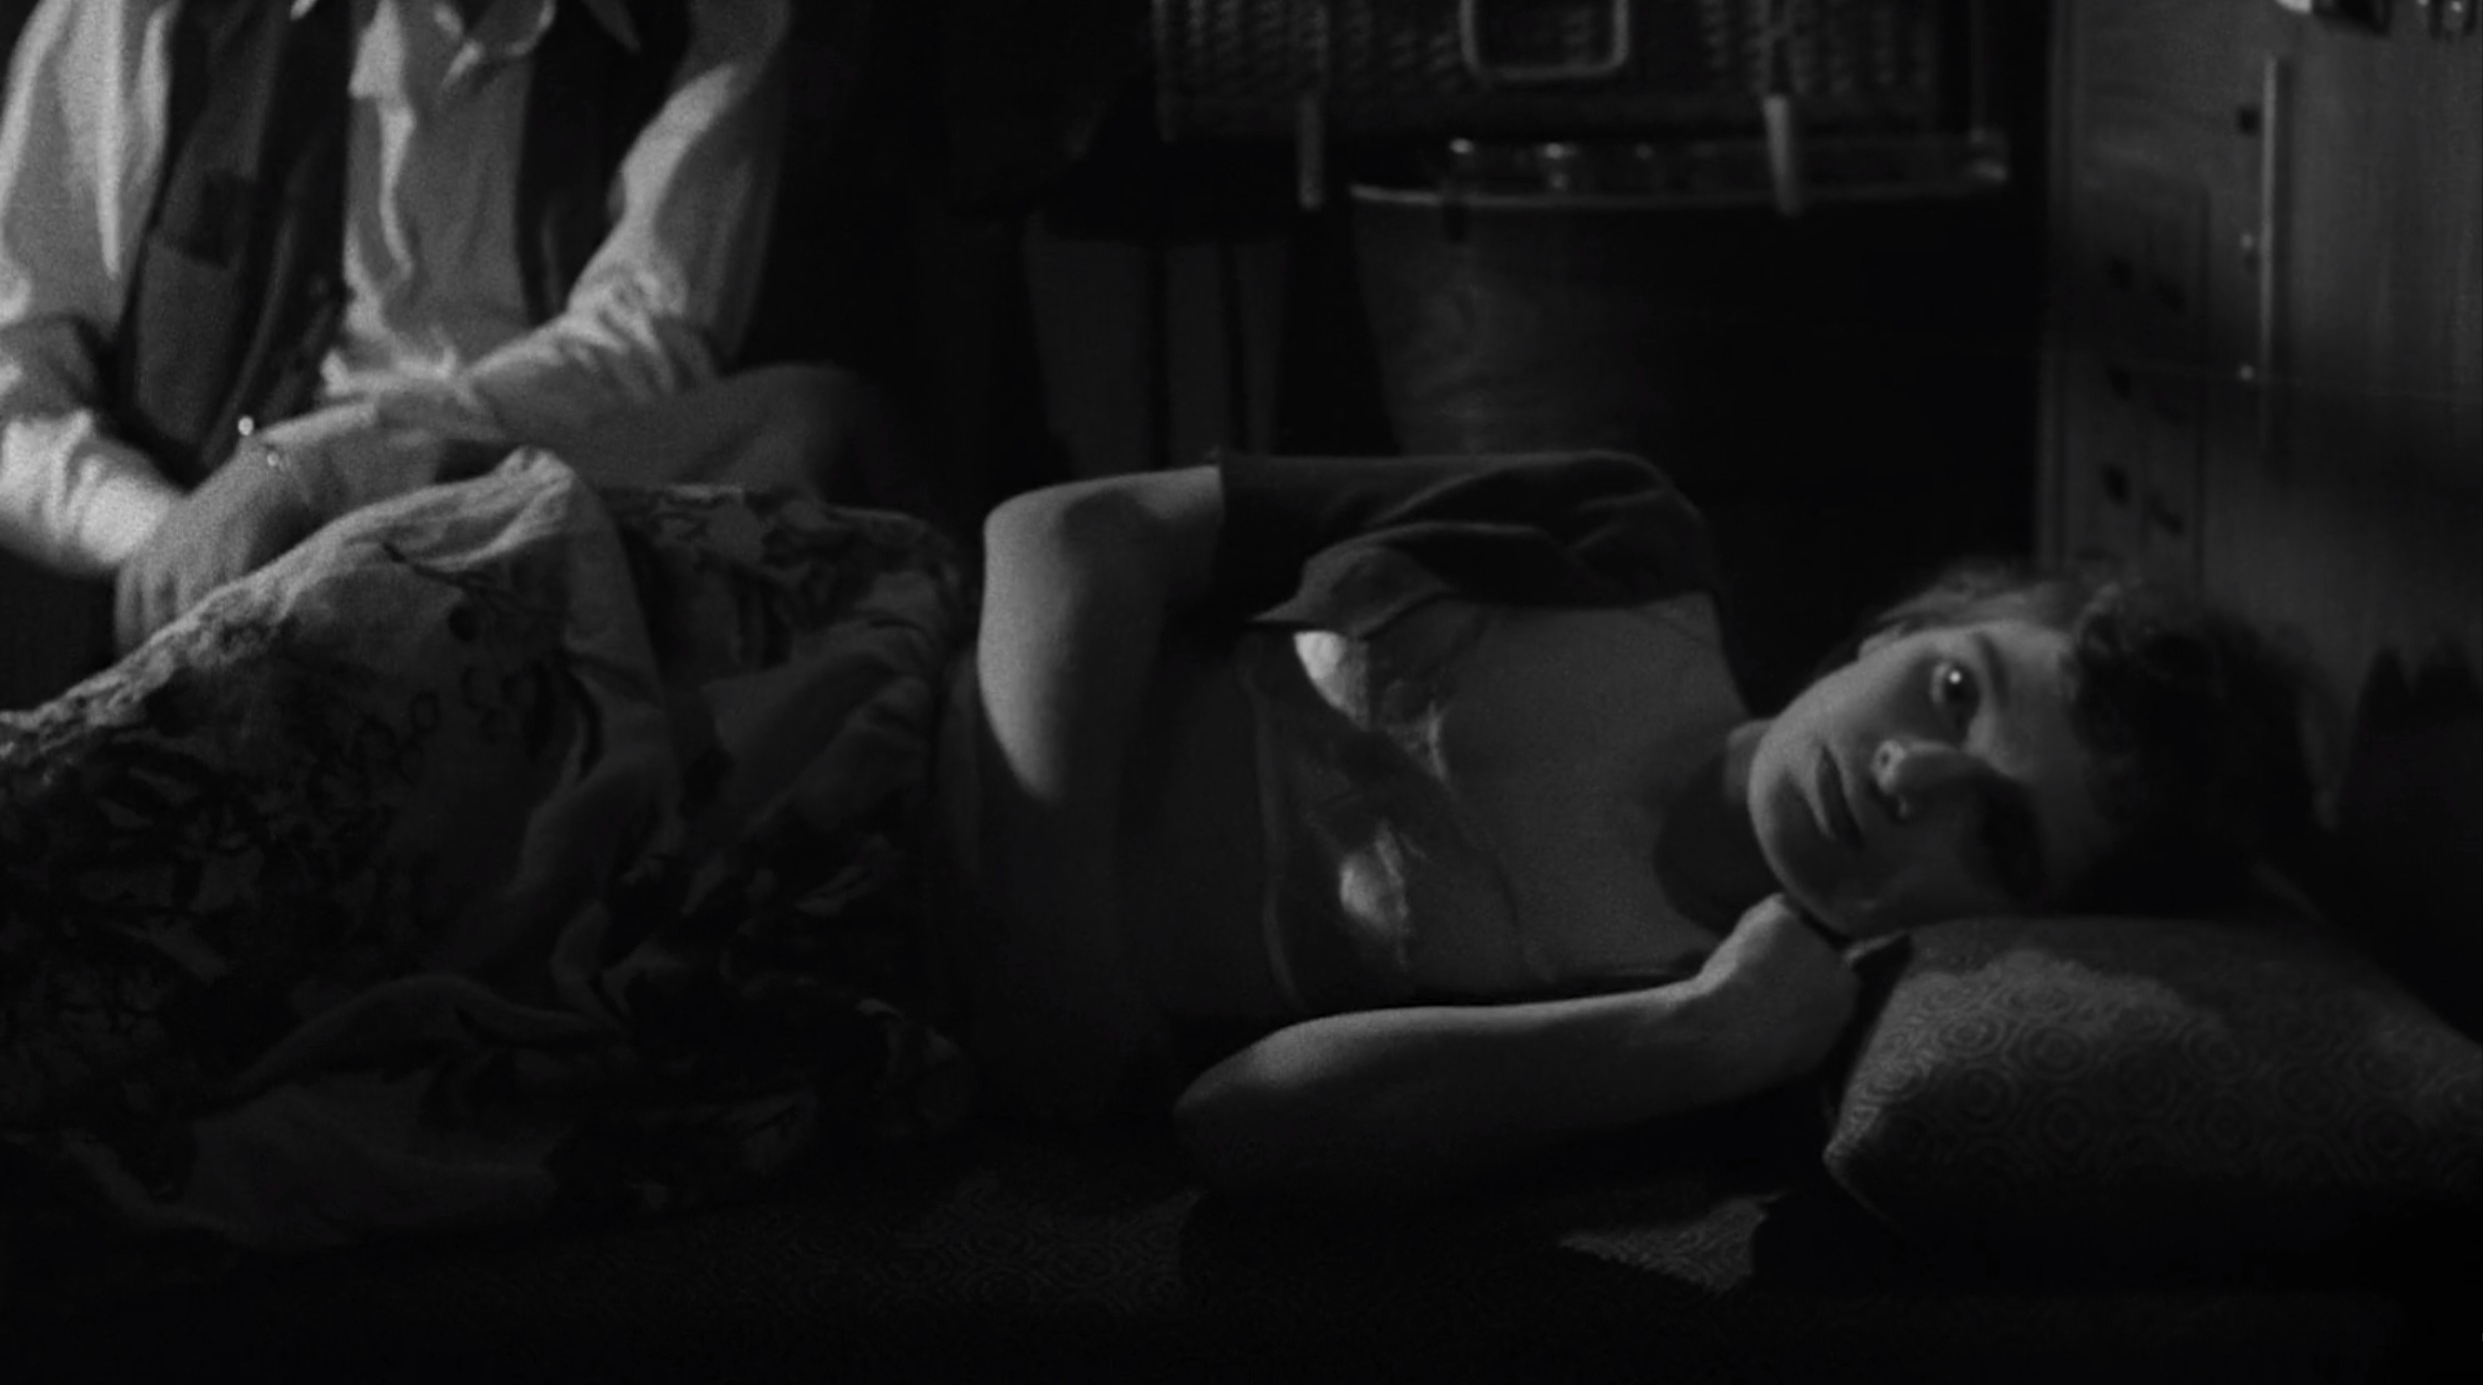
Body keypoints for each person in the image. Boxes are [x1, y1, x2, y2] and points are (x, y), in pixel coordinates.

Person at [0, 445, 2311, 1271]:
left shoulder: (1708, 1037)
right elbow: (1067, 532)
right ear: (1901, 626)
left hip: (783, 987)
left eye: (1992, 830)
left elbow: (1241, 1133)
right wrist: (1039, 944)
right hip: (780, 664)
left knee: (117, 1096)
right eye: (1945, 694)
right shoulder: (1619, 547)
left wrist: (1689, 1035)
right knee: (110, 816)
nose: (1907, 782)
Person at [0, 0, 898, 692]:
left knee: (814, 423)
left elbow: (642, 344)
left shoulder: (708, 16)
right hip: (226, 651)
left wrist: (325, 467)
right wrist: (173, 538)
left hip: (545, 607)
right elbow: (10, 367)